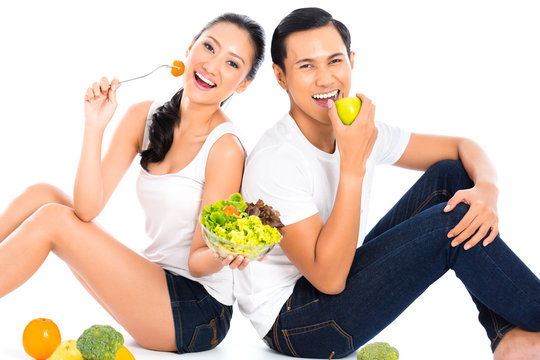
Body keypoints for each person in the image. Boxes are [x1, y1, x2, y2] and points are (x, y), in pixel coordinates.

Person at [233, 7, 540, 359]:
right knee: (451, 222)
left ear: (351, 60)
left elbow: (460, 148)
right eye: (306, 66)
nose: (324, 79)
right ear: (281, 76)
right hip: (298, 325)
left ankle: (510, 338)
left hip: (335, 282)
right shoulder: (276, 159)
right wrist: (353, 164)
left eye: (334, 61)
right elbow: (328, 279)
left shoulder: (357, 129)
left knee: (451, 177)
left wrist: (488, 188)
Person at [0, 13, 265, 354]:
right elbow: (86, 208)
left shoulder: (225, 148)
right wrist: (95, 126)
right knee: (42, 195)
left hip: (197, 313)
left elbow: (199, 261)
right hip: (154, 285)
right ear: (190, 48)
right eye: (209, 47)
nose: (212, 66)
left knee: (52, 219)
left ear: (242, 83)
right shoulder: (145, 116)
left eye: (231, 63)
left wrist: (226, 253)